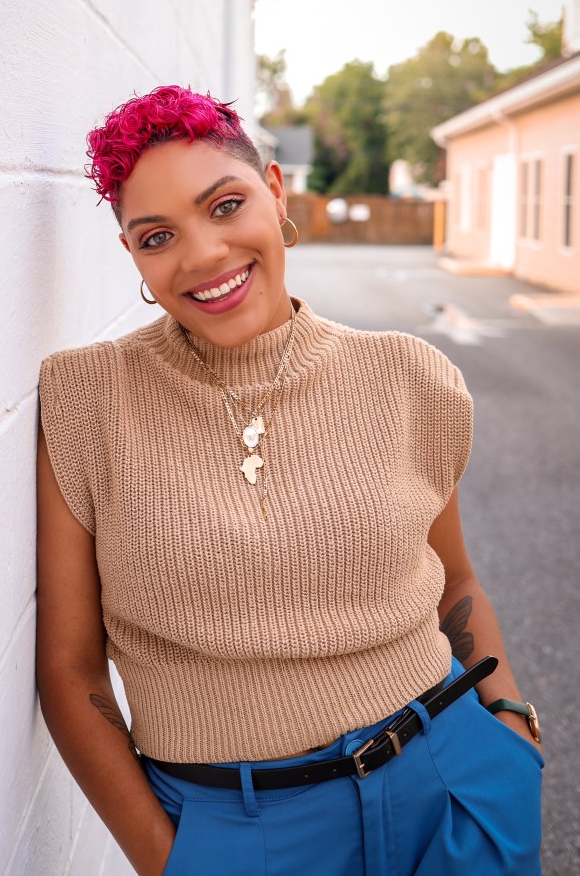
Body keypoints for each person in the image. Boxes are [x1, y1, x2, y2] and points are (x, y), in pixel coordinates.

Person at [35, 85, 544, 876]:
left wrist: (511, 727)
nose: (201, 254)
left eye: (225, 204)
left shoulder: (409, 377)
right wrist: (169, 860)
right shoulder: (86, 402)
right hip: (239, 834)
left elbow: (455, 578)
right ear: (132, 256)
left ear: (275, 193)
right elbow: (70, 669)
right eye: (157, 235)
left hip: (452, 789)